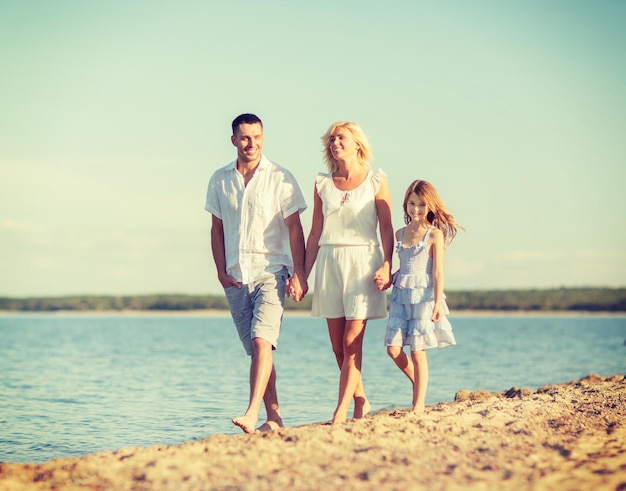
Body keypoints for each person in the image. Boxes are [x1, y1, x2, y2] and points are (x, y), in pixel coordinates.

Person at [205, 113, 307, 434]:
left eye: (258, 137)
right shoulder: (220, 180)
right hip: (236, 277)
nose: (252, 144)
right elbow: (216, 229)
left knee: (263, 341)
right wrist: (221, 272)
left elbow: (295, 229)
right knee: (258, 350)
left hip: (271, 272)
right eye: (245, 138)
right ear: (234, 140)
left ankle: (251, 412)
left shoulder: (280, 177)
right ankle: (274, 417)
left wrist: (299, 273)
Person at [304, 121, 394, 425]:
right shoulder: (322, 183)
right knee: (336, 345)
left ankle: (340, 411)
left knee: (352, 342)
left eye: (340, 137)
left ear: (357, 143)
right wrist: (302, 274)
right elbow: (315, 233)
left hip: (363, 262)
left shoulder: (376, 181)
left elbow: (386, 227)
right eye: (331, 139)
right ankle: (360, 398)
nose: (334, 143)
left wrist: (387, 265)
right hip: (330, 262)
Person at [385, 180, 460, 414]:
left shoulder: (433, 234)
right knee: (393, 349)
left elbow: (437, 272)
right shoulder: (399, 233)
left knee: (418, 351)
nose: (415, 209)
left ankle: (418, 406)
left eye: (420, 204)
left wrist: (438, 303)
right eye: (411, 203)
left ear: (429, 206)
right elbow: (402, 266)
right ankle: (419, 384)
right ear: (405, 205)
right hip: (400, 296)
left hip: (423, 298)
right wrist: (388, 277)